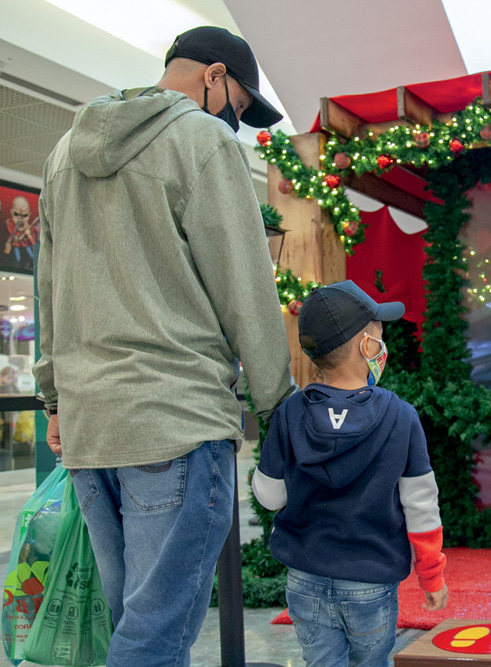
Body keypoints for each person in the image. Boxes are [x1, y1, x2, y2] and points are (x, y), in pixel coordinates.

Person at [33, 26, 295, 665]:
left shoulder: (65, 152)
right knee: (156, 634)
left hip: (93, 432)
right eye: (238, 104)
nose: (237, 122)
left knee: (135, 622)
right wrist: (278, 406)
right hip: (172, 420)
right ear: (212, 76)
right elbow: (245, 286)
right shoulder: (202, 142)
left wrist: (54, 398)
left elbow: (50, 285)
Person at [252, 280, 448, 667]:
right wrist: (432, 577)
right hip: (371, 583)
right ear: (365, 346)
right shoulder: (401, 417)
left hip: (304, 579)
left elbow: (270, 496)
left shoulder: (289, 414)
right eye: (378, 334)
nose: (382, 344)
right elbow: (422, 508)